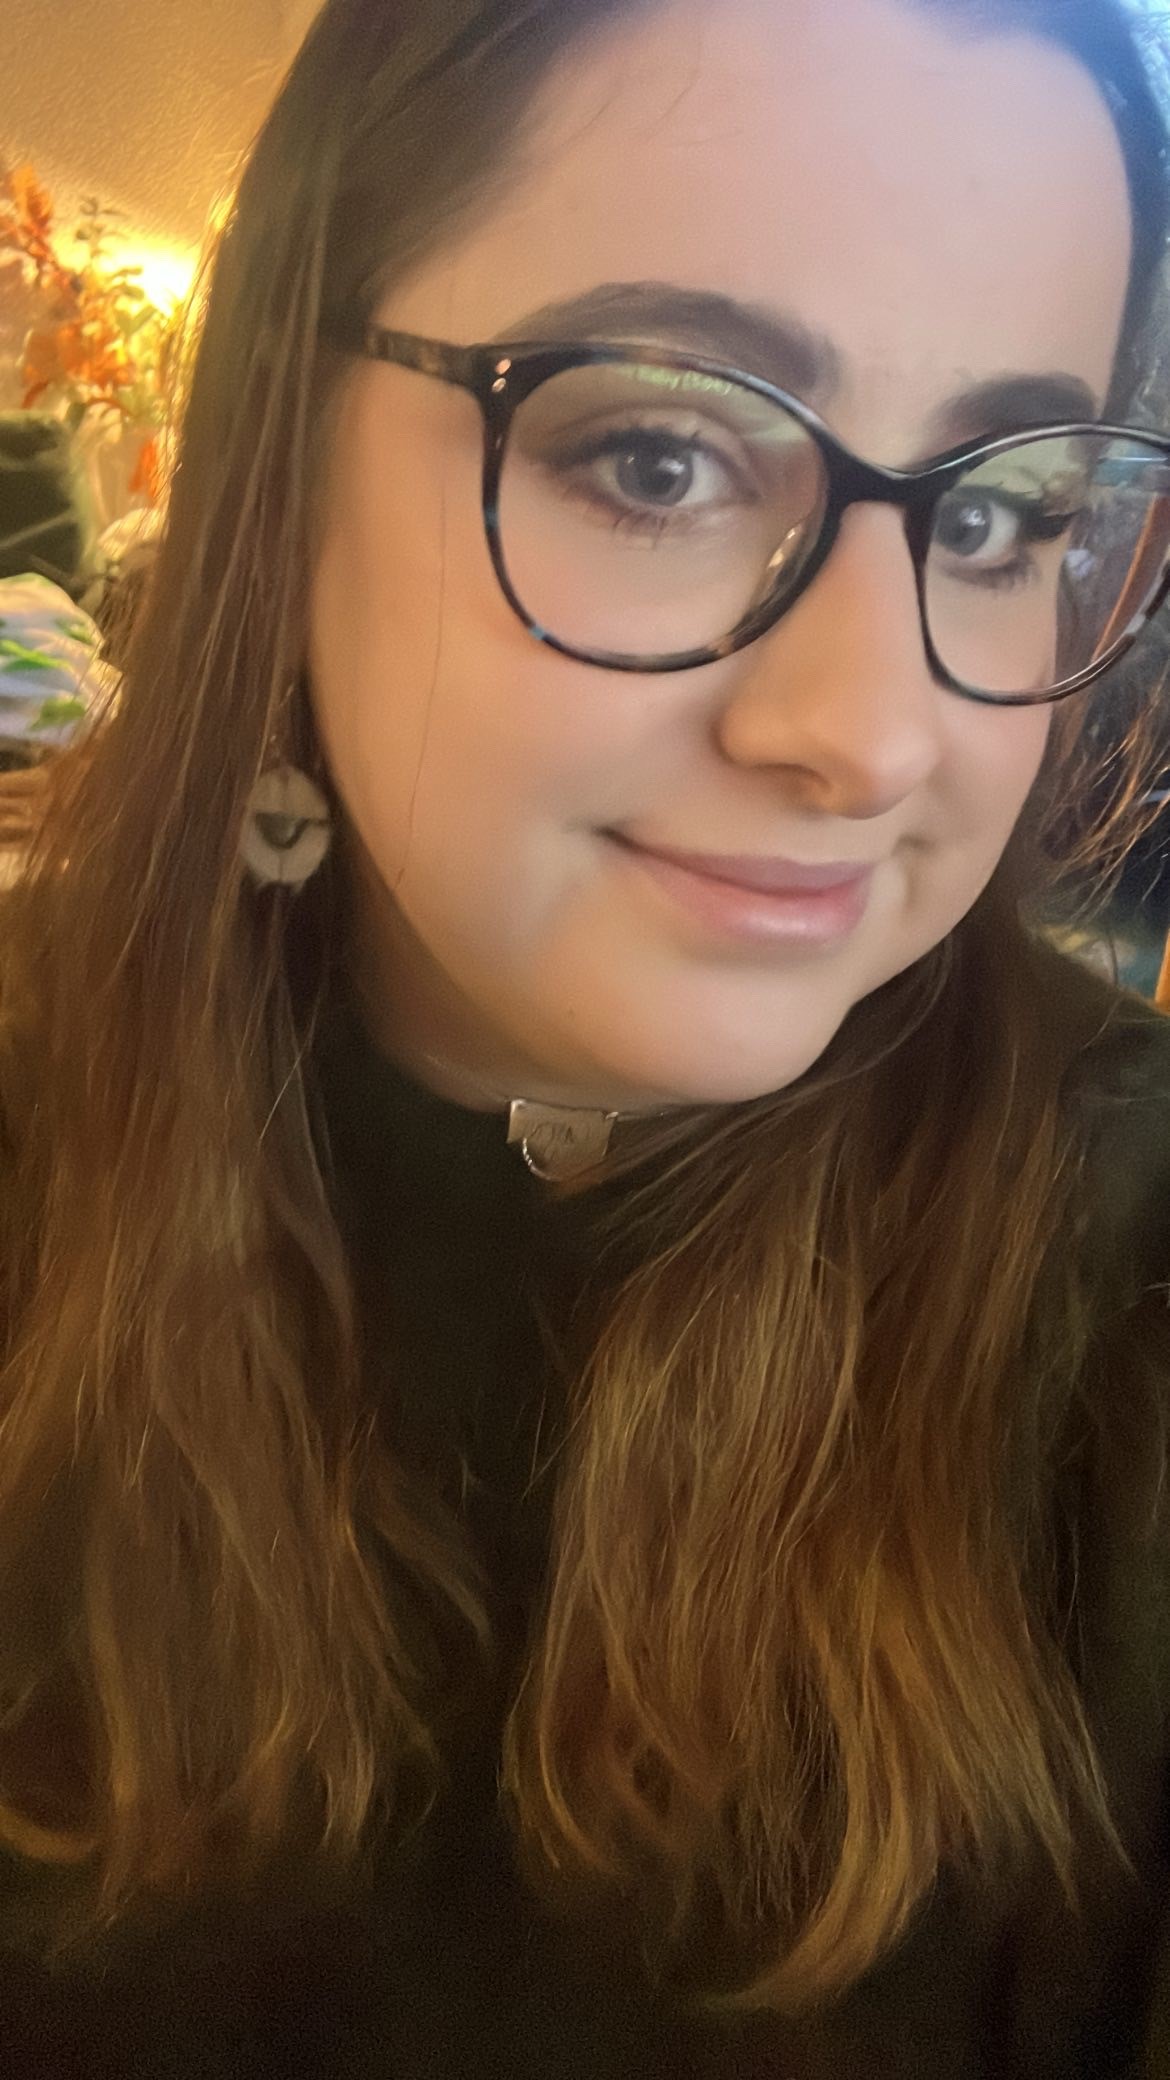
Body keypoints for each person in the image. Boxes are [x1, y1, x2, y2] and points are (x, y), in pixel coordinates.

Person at [1, 0, 1170, 2071]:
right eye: (660, 457)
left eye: (1001, 514)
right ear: (280, 443)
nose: (870, 734)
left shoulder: (1120, 1288)